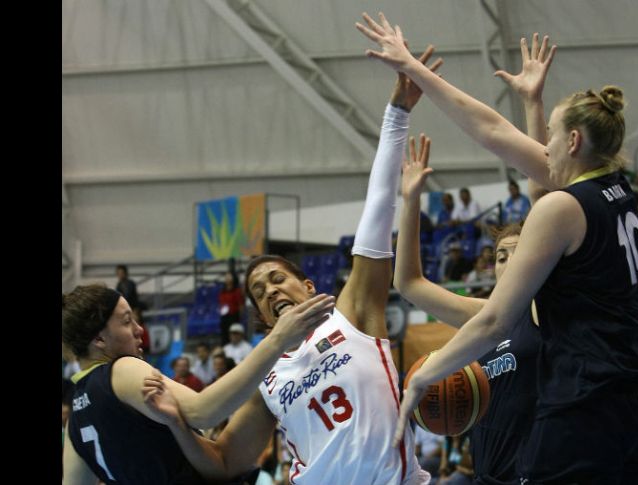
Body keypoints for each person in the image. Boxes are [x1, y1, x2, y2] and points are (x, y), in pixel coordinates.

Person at [357, 13, 638, 483]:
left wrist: (426, 373)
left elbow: (494, 320)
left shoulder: (562, 208)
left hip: (589, 408)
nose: (541, 146)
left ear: (573, 140)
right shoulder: (614, 186)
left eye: (549, 139)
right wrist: (418, 69)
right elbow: (494, 132)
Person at [143, 48, 442, 484]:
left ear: (307, 286)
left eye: (277, 279)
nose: (271, 291)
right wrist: (177, 424)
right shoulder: (265, 377)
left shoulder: (353, 315)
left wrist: (396, 114)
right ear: (262, 317)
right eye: (260, 294)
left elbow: (377, 213)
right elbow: (226, 461)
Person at [393, 33, 554, 484]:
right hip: (487, 474)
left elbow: (542, 193)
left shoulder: (550, 307)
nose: (509, 261)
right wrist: (411, 202)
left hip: (541, 472)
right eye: (501, 255)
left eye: (521, 252)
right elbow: (408, 284)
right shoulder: (484, 314)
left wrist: (532, 103)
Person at [62, 284, 334, 484]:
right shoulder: (120, 368)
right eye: (126, 321)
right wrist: (277, 340)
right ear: (99, 340)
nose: (139, 329)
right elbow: (205, 412)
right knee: (266, 394)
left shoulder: (75, 418)